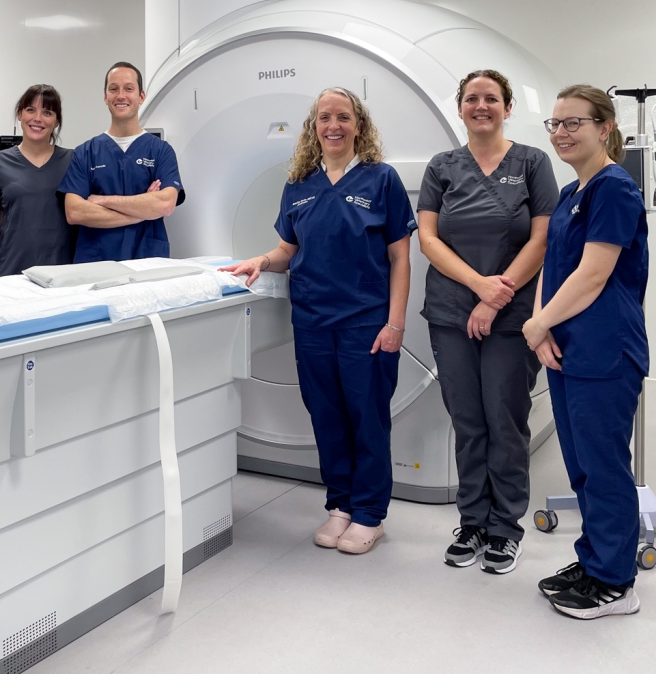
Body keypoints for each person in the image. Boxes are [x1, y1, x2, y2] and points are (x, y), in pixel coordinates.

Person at [223, 87, 415, 555]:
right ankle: (341, 506)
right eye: (325, 117)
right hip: (311, 320)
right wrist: (260, 262)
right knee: (326, 416)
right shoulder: (300, 183)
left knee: (366, 417)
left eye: (343, 117)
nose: (333, 125)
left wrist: (395, 324)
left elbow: (401, 258)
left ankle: (370, 513)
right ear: (314, 126)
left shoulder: (380, 180)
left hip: (365, 322)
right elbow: (289, 250)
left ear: (358, 126)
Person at [417, 70, 559, 574]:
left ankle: (505, 527)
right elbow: (429, 240)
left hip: (512, 315)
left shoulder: (533, 163)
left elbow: (541, 241)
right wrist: (478, 287)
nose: (482, 106)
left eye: (491, 99)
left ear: (507, 107)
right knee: (468, 420)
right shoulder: (443, 167)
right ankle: (473, 519)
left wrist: (495, 299)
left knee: (505, 419)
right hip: (452, 311)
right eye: (472, 99)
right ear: (460, 109)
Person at [524, 85, 648, 619]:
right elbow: (553, 269)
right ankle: (595, 558)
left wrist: (536, 325)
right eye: (554, 124)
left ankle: (617, 582)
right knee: (579, 467)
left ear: (605, 128)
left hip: (605, 350)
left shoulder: (614, 189)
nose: (561, 133)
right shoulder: (572, 195)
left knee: (604, 466)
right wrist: (541, 328)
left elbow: (594, 274)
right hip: (566, 347)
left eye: (573, 122)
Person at [58, 62, 182, 262]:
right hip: (96, 262)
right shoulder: (85, 153)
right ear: (105, 96)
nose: (121, 95)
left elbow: (165, 204)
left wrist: (102, 200)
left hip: (147, 260)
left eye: (129, 88)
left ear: (141, 96)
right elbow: (75, 211)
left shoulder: (161, 151)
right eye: (113, 89)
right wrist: (144, 210)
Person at [0, 85, 75, 277]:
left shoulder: (73, 161)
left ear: (56, 121)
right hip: (9, 271)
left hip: (61, 273)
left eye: (47, 112)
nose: (37, 118)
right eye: (30, 110)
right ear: (20, 114)